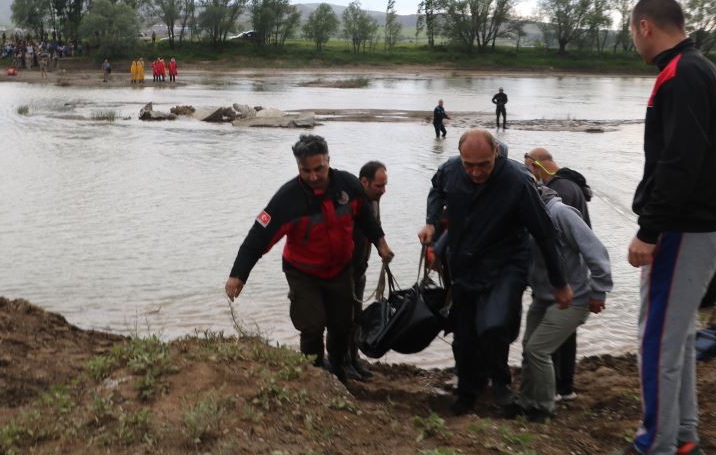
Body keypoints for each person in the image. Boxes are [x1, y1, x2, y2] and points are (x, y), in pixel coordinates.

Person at [620, 0, 716, 455]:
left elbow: (680, 160)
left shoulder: (680, 74)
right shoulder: (697, 68)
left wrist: (649, 229)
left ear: (645, 26)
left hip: (684, 227)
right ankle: (683, 437)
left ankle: (657, 444)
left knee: (658, 341)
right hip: (699, 224)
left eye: (632, 33)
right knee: (679, 336)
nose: (634, 42)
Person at [418, 129, 571, 415]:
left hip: (506, 265)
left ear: (496, 155)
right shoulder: (451, 169)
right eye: (469, 165)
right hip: (464, 264)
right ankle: (467, 393)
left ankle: (501, 386)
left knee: (494, 326)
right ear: (461, 158)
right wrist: (431, 224)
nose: (475, 172)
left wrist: (559, 282)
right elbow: (436, 189)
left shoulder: (518, 180)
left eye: (483, 165)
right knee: (463, 336)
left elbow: (545, 233)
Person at [225, 134, 395, 382]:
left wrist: (381, 243)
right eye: (306, 171)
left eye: (319, 169)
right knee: (312, 325)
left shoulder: (348, 185)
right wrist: (238, 275)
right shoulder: (287, 199)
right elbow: (258, 237)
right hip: (303, 272)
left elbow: (365, 218)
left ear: (328, 160)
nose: (314, 177)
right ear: (298, 167)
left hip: (340, 270)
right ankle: (314, 373)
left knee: (341, 326)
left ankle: (338, 371)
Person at [502, 184, 612, 422]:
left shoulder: (561, 213)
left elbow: (597, 251)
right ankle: (526, 401)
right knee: (529, 348)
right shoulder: (523, 217)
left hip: (574, 298)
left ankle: (544, 407)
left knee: (538, 350)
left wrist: (600, 291)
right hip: (542, 296)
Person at [525, 147, 594, 401]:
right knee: (565, 335)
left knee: (546, 343)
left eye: (529, 168)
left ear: (535, 165)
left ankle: (555, 390)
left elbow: (557, 238)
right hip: (573, 273)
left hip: (565, 278)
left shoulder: (559, 193)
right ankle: (566, 387)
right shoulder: (572, 185)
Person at [342, 160, 388, 381]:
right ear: (364, 182)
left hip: (360, 268)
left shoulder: (374, 202)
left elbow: (374, 230)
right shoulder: (349, 204)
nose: (383, 191)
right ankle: (342, 361)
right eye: (379, 186)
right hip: (343, 271)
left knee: (356, 317)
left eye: (384, 185)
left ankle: (353, 358)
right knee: (343, 318)